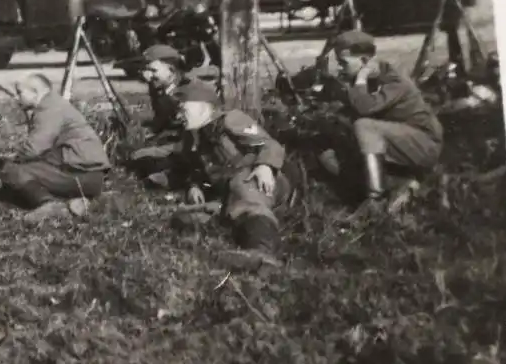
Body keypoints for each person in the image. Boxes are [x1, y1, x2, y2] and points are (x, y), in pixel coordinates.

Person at [163, 75, 290, 271]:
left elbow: (270, 143)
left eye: (183, 108)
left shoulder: (230, 119)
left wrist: (265, 166)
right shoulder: (192, 136)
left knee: (242, 186)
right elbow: (195, 167)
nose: (178, 115)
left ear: (204, 106)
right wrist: (194, 185)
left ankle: (262, 252)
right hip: (229, 191)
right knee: (184, 216)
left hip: (260, 180)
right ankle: (233, 235)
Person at [320, 30, 444, 209]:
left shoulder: (393, 80)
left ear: (364, 62)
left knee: (364, 126)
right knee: (331, 155)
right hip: (398, 142)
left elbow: (364, 107)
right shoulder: (367, 80)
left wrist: (361, 78)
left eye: (343, 63)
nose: (339, 68)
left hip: (424, 144)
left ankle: (375, 200)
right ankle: (400, 184)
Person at [0, 74, 110, 223]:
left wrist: (13, 157)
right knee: (30, 168)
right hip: (90, 174)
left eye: (20, 93)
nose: (17, 98)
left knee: (12, 171)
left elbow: (34, 148)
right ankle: (75, 201)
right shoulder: (55, 103)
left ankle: (50, 205)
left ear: (35, 92)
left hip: (83, 173)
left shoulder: (48, 109)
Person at [126, 44, 203, 198]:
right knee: (137, 157)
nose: (147, 75)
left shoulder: (189, 92)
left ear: (171, 70)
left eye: (153, 70)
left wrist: (160, 148)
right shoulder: (161, 87)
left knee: (143, 158)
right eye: (145, 69)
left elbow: (196, 135)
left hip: (191, 146)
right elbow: (162, 119)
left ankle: (177, 179)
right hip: (173, 141)